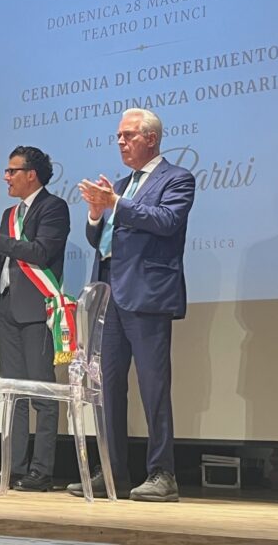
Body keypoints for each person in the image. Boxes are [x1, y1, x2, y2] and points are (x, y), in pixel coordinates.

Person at [77, 108, 194, 502]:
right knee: (107, 386)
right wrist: (97, 214)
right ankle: (112, 471)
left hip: (147, 293)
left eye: (128, 135)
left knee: (153, 386)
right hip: (110, 293)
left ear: (151, 138)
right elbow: (101, 241)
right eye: (118, 136)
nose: (121, 142)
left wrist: (115, 203)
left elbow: (166, 221)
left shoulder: (177, 178)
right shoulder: (122, 185)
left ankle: (163, 473)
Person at [0, 146, 70, 492]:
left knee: (42, 392)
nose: (6, 177)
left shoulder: (54, 207)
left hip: (37, 309)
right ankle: (12, 468)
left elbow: (41, 252)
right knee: (14, 394)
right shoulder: (10, 213)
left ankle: (41, 471)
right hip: (8, 308)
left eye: (12, 171)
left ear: (32, 174)